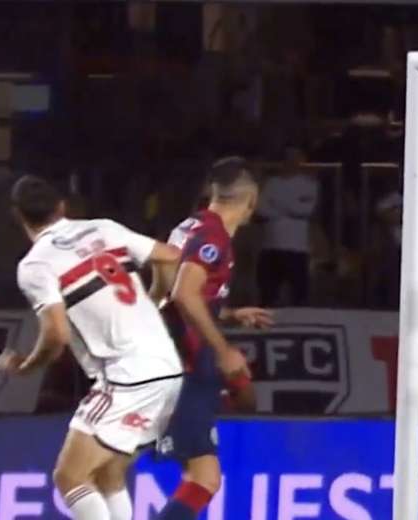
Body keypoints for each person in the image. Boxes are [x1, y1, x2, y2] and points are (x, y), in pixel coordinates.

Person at [0, 175, 183, 520]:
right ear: (62, 207)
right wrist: (155, 297)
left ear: (18, 216)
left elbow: (56, 336)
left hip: (127, 377)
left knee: (69, 477)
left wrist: (23, 366)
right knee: (108, 475)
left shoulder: (36, 265)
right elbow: (170, 256)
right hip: (167, 368)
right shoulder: (104, 228)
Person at [151, 156, 272, 519]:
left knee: (203, 476)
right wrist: (223, 351)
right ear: (251, 199)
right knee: (203, 477)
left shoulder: (190, 226)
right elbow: (184, 294)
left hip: (171, 355)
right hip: (187, 361)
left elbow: (175, 291)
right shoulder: (213, 235)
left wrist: (230, 313)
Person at [255, 145, 319, 306]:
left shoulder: (309, 185)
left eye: (296, 156)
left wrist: (277, 203)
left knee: (299, 295)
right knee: (267, 294)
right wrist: (290, 207)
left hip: (297, 248)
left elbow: (305, 210)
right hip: (271, 246)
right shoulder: (271, 183)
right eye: (288, 156)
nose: (292, 161)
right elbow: (261, 209)